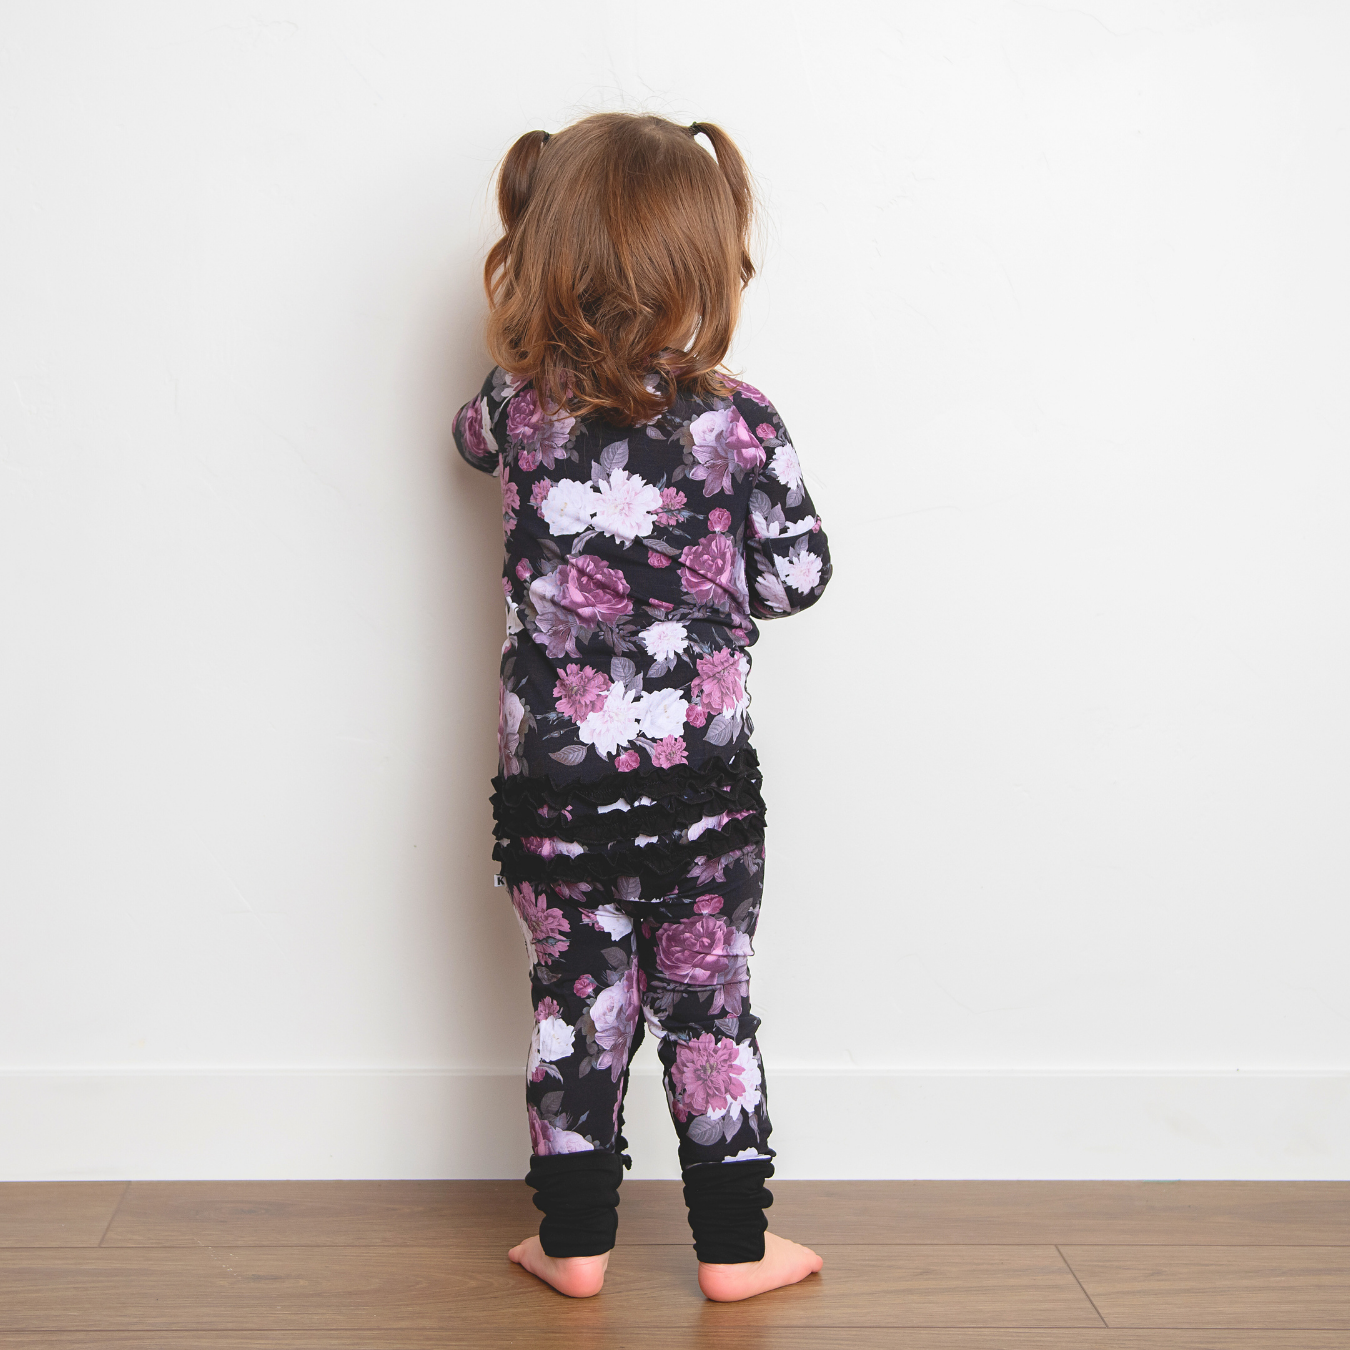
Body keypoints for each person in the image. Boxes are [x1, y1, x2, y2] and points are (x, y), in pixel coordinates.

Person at [453, 112, 831, 1302]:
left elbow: (465, 442)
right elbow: (799, 579)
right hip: (698, 797)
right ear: (703, 262)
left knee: (576, 1010)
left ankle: (573, 1247)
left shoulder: (515, 405)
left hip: (555, 794)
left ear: (545, 250)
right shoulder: (738, 420)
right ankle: (735, 1253)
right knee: (708, 1010)